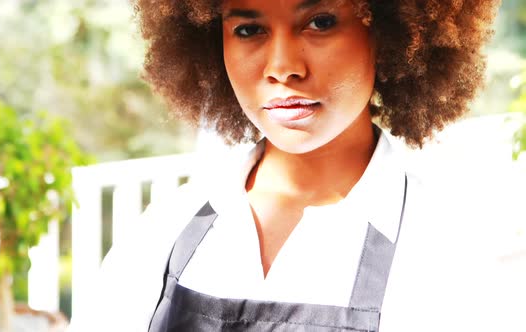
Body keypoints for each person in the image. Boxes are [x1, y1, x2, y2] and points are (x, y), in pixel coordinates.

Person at [69, 0, 519, 331]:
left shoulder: (449, 253)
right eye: (248, 30)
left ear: (388, 32)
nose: (283, 67)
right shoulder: (164, 231)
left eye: (320, 22)